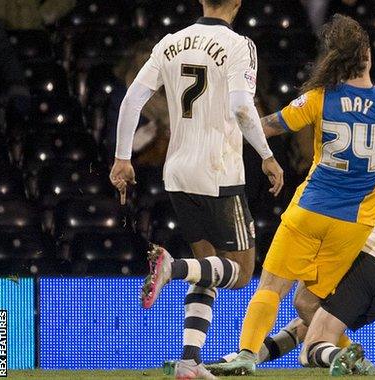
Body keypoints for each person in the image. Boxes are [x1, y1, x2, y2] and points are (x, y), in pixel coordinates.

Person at [206, 14, 375, 376]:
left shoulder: (319, 98)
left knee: (272, 287)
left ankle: (246, 356)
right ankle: (353, 361)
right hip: (353, 226)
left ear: (334, 58)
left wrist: (226, 118)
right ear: (367, 56)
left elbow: (267, 127)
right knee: (308, 303)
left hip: (310, 211)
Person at [208, 124, 375, 375]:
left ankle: (345, 358)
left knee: (309, 331)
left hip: (369, 259)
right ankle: (240, 361)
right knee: (311, 322)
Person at [109, 0, 284, 379]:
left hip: (177, 172)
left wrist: (123, 157)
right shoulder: (240, 46)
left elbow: (132, 99)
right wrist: (267, 155)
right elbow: (241, 106)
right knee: (239, 272)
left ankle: (189, 361)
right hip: (218, 172)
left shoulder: (170, 42)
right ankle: (172, 266)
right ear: (237, 3)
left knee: (208, 272)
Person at [106, 40, 170, 168]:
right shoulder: (123, 96)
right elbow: (112, 149)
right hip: (138, 168)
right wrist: (134, 144)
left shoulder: (172, 90)